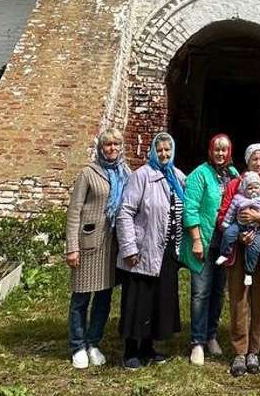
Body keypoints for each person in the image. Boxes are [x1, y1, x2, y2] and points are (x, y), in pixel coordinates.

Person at [115, 131, 187, 369]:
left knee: (157, 300)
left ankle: (148, 346)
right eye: (160, 150)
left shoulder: (178, 177)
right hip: (143, 248)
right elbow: (125, 211)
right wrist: (129, 247)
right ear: (153, 152)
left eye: (168, 149)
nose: (164, 154)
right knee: (138, 299)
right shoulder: (142, 176)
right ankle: (131, 350)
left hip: (166, 250)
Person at [64, 130, 129, 369]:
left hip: (112, 248)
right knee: (81, 299)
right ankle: (77, 345)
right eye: (107, 144)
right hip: (89, 245)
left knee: (103, 298)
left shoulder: (126, 174)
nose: (112, 148)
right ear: (101, 148)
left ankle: (93, 342)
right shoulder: (89, 173)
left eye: (115, 144)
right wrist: (72, 247)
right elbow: (74, 212)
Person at [217, 142, 260, 377]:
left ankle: (255, 349)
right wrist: (238, 233)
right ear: (247, 160)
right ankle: (240, 351)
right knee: (238, 299)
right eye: (255, 158)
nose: (259, 163)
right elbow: (223, 213)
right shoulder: (235, 185)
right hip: (239, 251)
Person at [181, 132, 236, 365]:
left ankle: (211, 335)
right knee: (200, 293)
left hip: (224, 245)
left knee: (217, 291)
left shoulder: (233, 175)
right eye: (217, 149)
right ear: (210, 151)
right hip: (204, 241)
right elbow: (190, 208)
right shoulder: (199, 174)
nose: (220, 154)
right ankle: (197, 342)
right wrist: (195, 239)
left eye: (224, 150)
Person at [215, 170, 260, 284]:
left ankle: (248, 272)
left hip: (255, 229)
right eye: (250, 188)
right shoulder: (238, 197)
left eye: (256, 188)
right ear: (244, 188)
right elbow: (230, 211)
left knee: (254, 249)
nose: (253, 190)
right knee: (228, 234)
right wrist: (226, 223)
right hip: (238, 225)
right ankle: (225, 254)